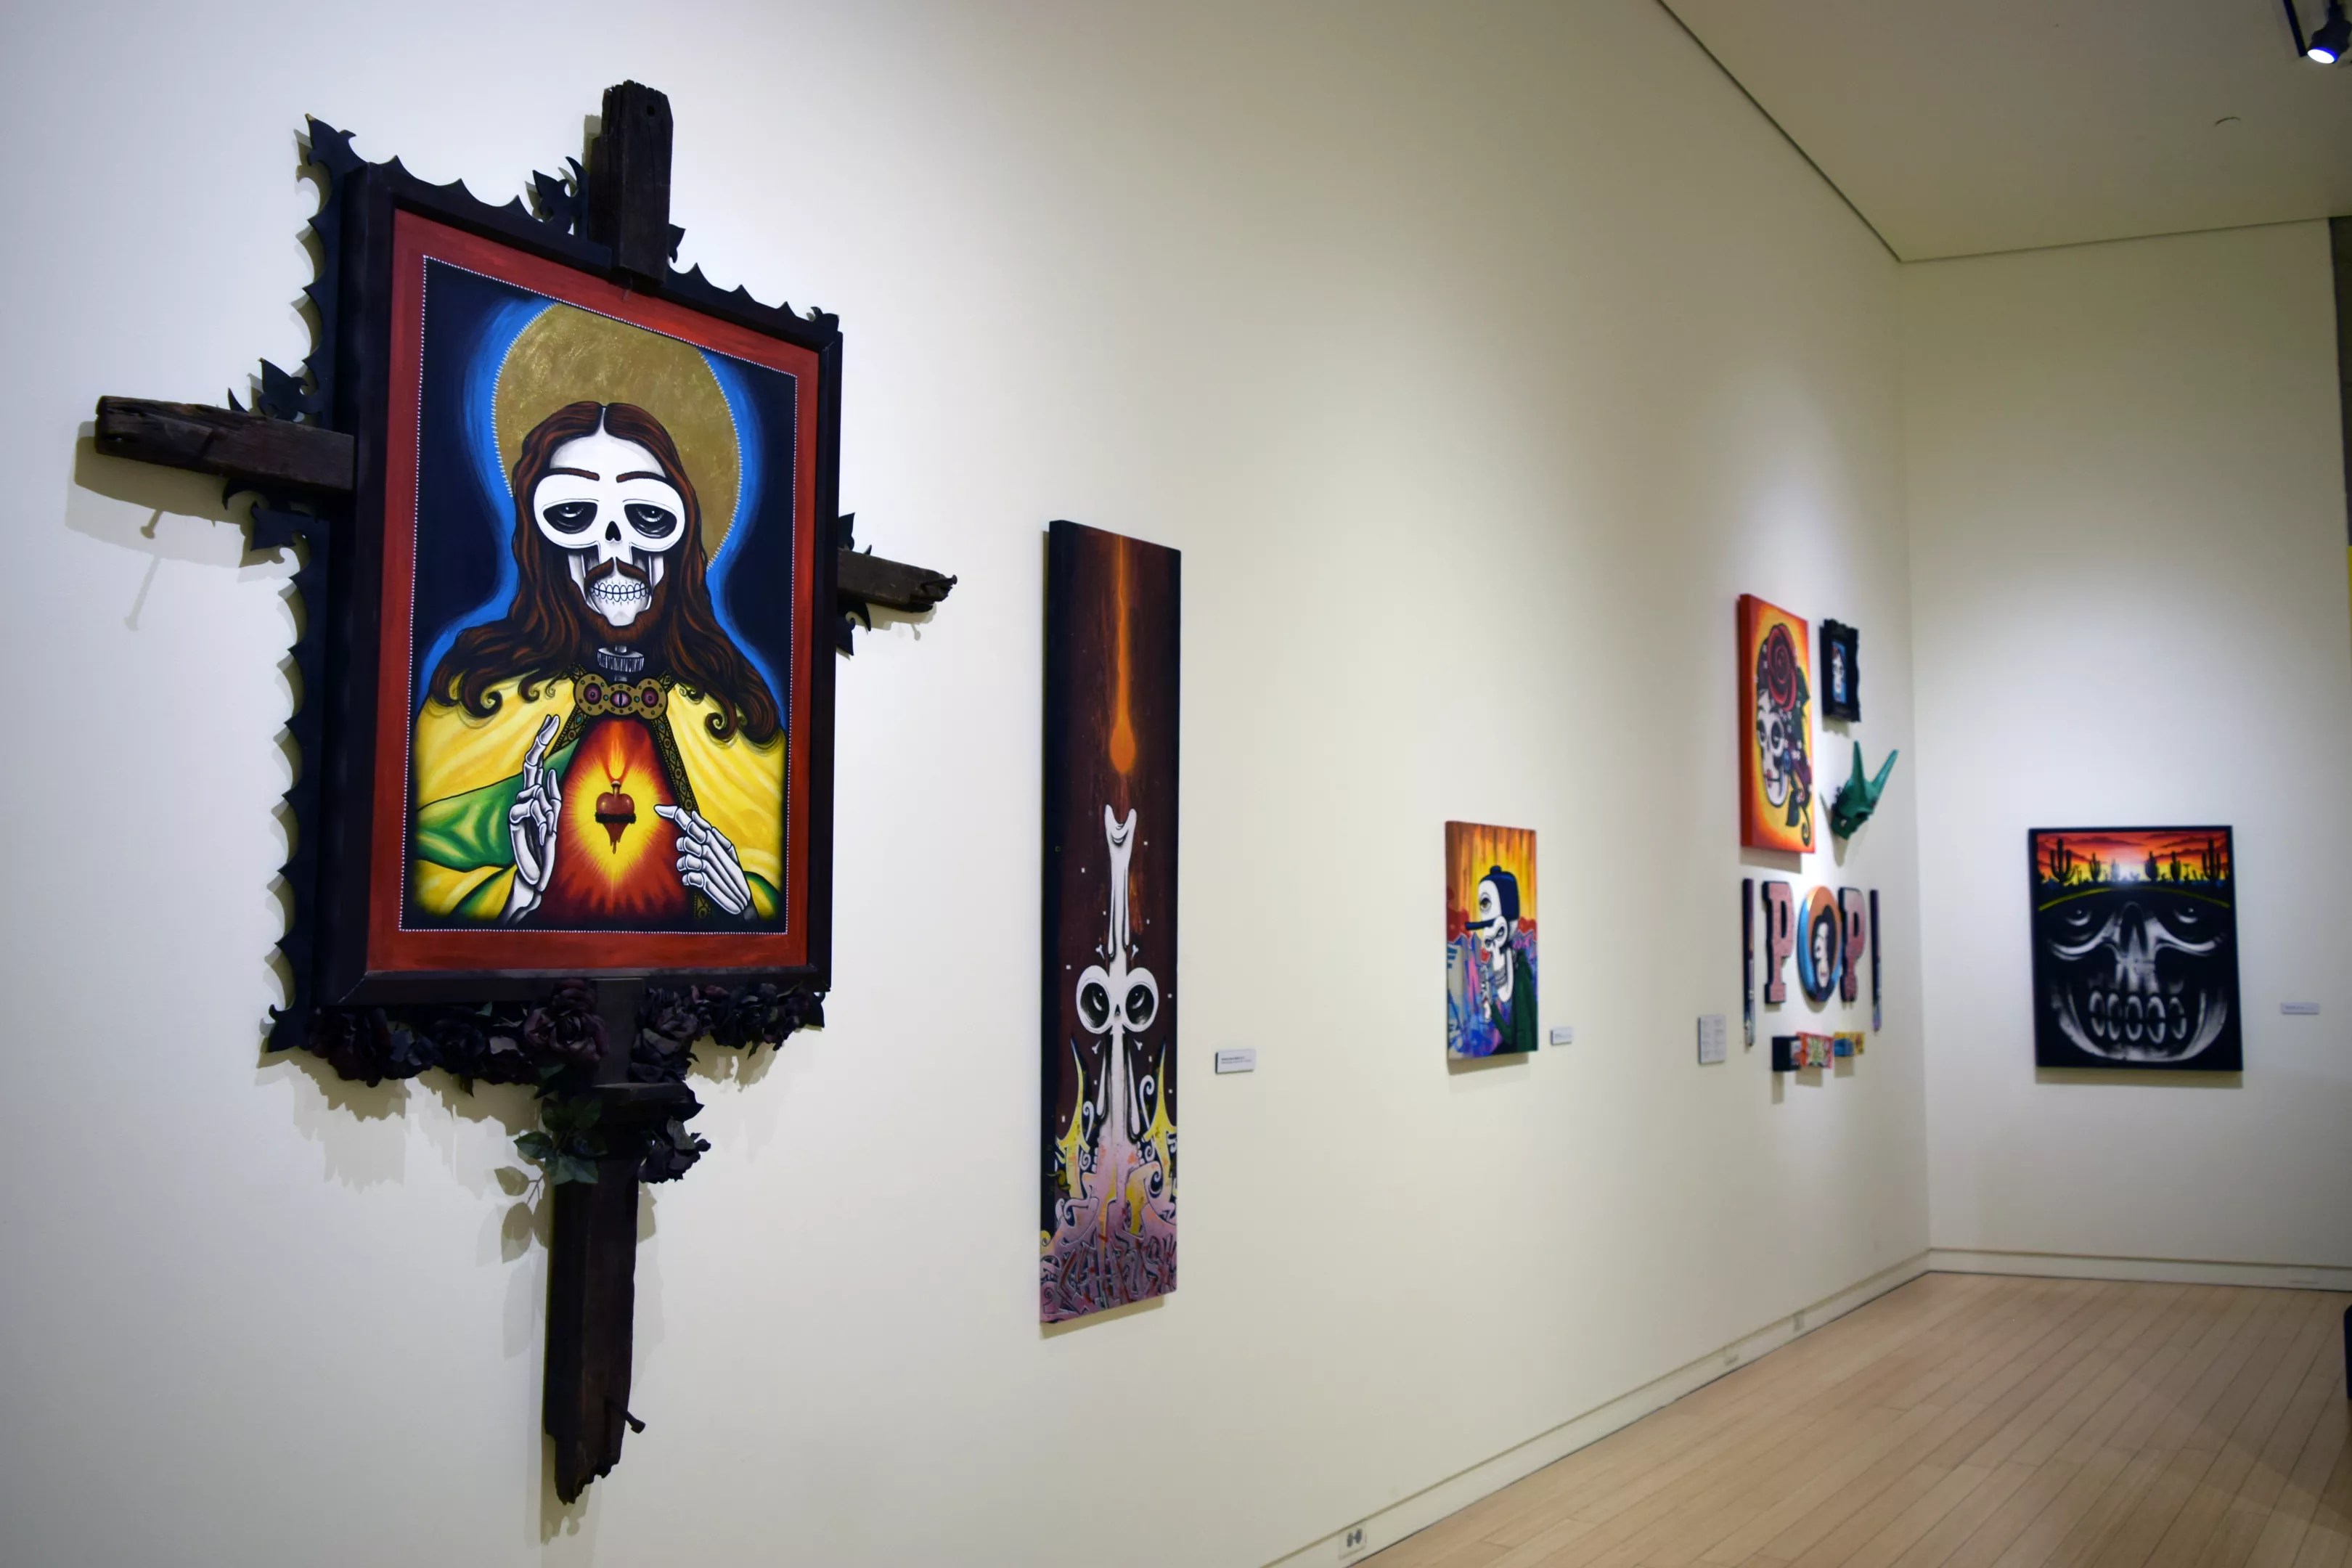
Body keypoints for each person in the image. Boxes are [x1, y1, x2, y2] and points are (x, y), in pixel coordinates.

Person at [408, 401, 783, 928]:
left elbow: (778, 897)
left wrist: (741, 904)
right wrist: (517, 892)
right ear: (541, 544)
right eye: (574, 513)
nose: (614, 546)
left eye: (646, 515)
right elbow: (421, 888)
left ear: (681, 538)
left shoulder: (733, 715)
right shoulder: (479, 695)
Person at [1450, 866, 1538, 1055]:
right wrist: (1490, 1006)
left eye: (1492, 933)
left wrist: (1491, 1008)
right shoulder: (1501, 969)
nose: (1487, 941)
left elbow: (1515, 1036)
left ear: (1502, 930)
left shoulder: (1520, 976)